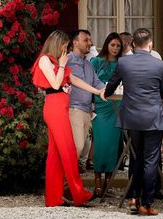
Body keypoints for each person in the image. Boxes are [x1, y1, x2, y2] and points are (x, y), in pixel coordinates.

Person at [104, 28, 163, 215]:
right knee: (150, 160)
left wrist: (105, 93)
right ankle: (147, 203)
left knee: (136, 157)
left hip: (132, 118)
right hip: (152, 118)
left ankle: (133, 198)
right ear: (150, 44)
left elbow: (111, 85)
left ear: (133, 44)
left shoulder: (124, 62)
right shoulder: (159, 64)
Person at [31, 30, 95, 207]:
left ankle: (53, 198)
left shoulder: (56, 62)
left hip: (60, 109)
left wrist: (97, 91)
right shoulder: (45, 60)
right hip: (54, 109)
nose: (65, 50)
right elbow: (55, 83)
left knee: (56, 156)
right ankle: (78, 194)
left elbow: (72, 79)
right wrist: (61, 65)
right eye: (64, 46)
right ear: (56, 44)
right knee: (68, 152)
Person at [66, 30, 106, 174]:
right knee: (77, 147)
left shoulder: (88, 65)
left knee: (81, 149)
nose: (90, 43)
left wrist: (112, 89)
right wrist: (99, 91)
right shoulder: (67, 60)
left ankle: (69, 183)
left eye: (90, 40)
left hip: (86, 111)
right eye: (86, 40)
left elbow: (98, 83)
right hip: (73, 109)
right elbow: (74, 81)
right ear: (75, 42)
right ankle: (65, 184)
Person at [90, 32, 123, 195]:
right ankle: (97, 181)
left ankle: (108, 182)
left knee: (112, 145)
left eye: (118, 46)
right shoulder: (95, 61)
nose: (115, 48)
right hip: (100, 105)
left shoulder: (122, 63)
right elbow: (89, 82)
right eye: (112, 45)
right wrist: (90, 103)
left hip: (117, 105)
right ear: (106, 45)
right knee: (100, 145)